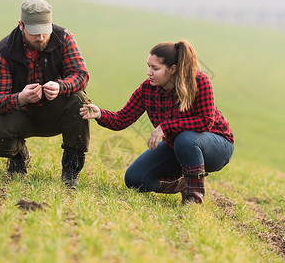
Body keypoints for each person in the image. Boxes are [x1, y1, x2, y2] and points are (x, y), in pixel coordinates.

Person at [80, 40, 234, 203]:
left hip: (217, 146)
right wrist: (100, 114)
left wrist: (165, 127)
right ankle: (182, 183)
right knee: (135, 179)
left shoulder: (198, 81)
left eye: (155, 68)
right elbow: (122, 119)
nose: (148, 72)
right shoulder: (148, 89)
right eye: (148, 66)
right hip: (177, 147)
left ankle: (194, 198)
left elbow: (205, 122)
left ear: (172, 69)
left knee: (186, 138)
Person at [0, 0, 90, 188]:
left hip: (54, 112)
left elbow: (81, 75)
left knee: (79, 100)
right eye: (35, 33)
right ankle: (19, 156)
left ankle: (71, 169)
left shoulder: (64, 38)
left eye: (45, 31)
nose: (41, 37)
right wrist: (20, 98)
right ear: (21, 25)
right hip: (20, 114)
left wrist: (61, 86)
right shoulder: (3, 52)